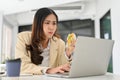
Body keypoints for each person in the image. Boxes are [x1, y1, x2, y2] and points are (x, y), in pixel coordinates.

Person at [15, 7, 75, 75]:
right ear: (38, 24)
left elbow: (62, 68)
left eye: (54, 23)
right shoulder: (23, 38)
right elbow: (23, 66)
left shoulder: (60, 43)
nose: (51, 27)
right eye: (47, 23)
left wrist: (67, 54)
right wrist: (48, 70)